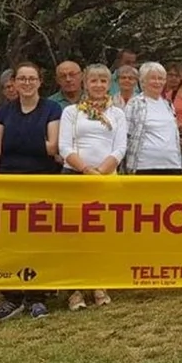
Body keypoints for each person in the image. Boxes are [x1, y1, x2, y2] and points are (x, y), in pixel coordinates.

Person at [0, 62, 62, 321]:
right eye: (22, 79)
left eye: (32, 78)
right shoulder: (5, 112)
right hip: (8, 183)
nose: (27, 83)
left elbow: (53, 148)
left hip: (42, 183)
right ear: (15, 83)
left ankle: (37, 297)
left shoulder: (52, 108)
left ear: (40, 82)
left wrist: (18, 141)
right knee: (10, 242)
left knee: (40, 241)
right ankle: (12, 297)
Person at [59, 64, 127, 310]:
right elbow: (64, 147)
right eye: (93, 81)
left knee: (101, 234)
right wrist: (86, 170)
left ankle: (99, 282)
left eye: (103, 81)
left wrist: (100, 172)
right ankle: (75, 288)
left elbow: (120, 148)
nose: (98, 85)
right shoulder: (71, 112)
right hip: (76, 175)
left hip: (106, 178)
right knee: (74, 234)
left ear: (109, 84)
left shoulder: (118, 113)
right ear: (85, 83)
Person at [124, 62, 182, 175]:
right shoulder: (135, 103)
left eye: (161, 79)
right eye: (153, 78)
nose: (157, 82)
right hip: (144, 165)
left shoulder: (168, 105)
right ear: (143, 81)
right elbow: (126, 135)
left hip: (172, 164)